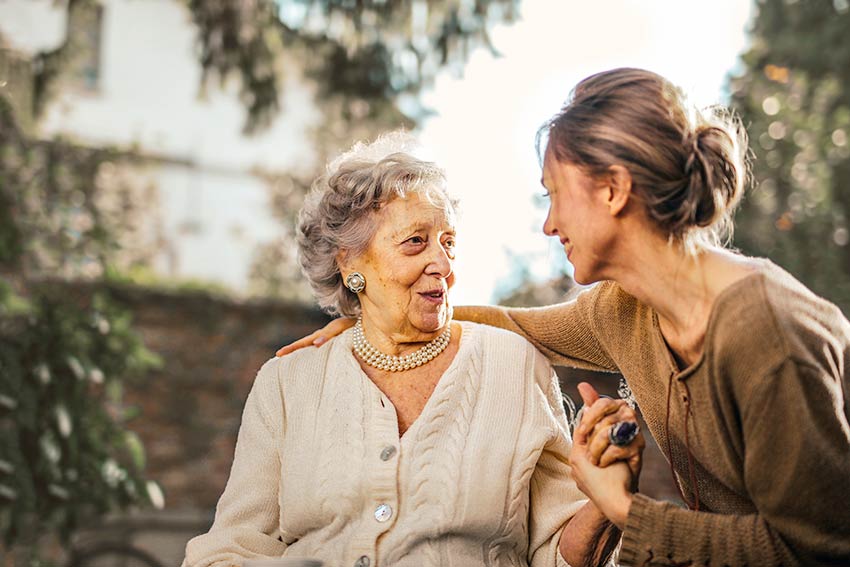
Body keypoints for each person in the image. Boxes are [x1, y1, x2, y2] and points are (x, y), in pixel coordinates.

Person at [277, 69, 850, 566]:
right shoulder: (624, 310)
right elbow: (515, 324)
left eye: (554, 194)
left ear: (613, 190)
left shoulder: (766, 333)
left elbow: (816, 549)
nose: (549, 225)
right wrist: (375, 321)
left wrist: (623, 508)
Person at [183, 133, 645, 567]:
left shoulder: (515, 366)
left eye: (449, 243)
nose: (442, 265)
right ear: (350, 262)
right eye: (416, 243)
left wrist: (606, 501)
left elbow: (557, 553)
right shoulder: (288, 382)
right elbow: (231, 547)